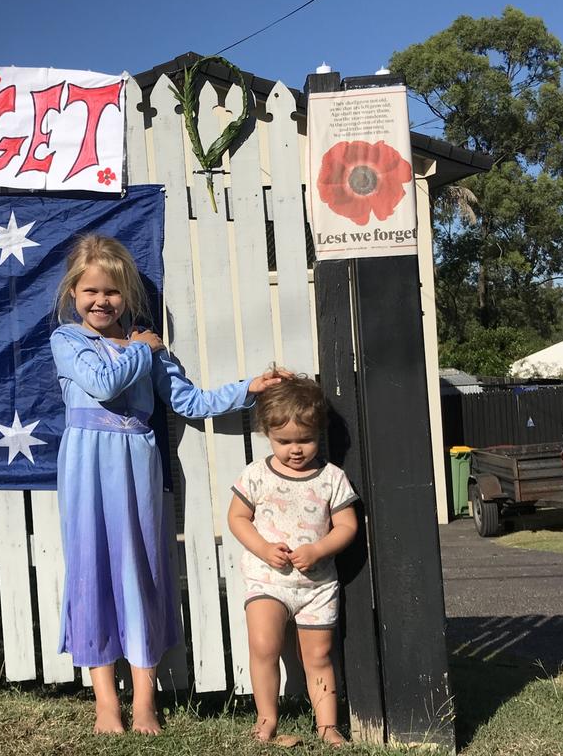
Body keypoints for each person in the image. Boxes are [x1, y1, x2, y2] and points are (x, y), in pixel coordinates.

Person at [49, 233, 285, 735]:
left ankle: (142, 703)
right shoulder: (67, 341)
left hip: (137, 467)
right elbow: (103, 383)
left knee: (139, 573)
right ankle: (105, 703)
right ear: (73, 294)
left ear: (128, 296)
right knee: (93, 573)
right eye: (90, 292)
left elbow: (190, 402)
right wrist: (141, 348)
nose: (100, 302)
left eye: (111, 292)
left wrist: (249, 389)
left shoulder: (147, 349)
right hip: (85, 469)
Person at [227, 376, 358, 747]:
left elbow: (347, 525)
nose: (296, 450)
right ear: (267, 433)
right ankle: (266, 719)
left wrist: (319, 550)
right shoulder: (256, 475)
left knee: (318, 655)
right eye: (284, 441)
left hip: (316, 586)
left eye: (305, 440)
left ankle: (328, 726)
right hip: (268, 579)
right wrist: (264, 548)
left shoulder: (332, 478)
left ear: (320, 432)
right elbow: (237, 518)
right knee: (264, 645)